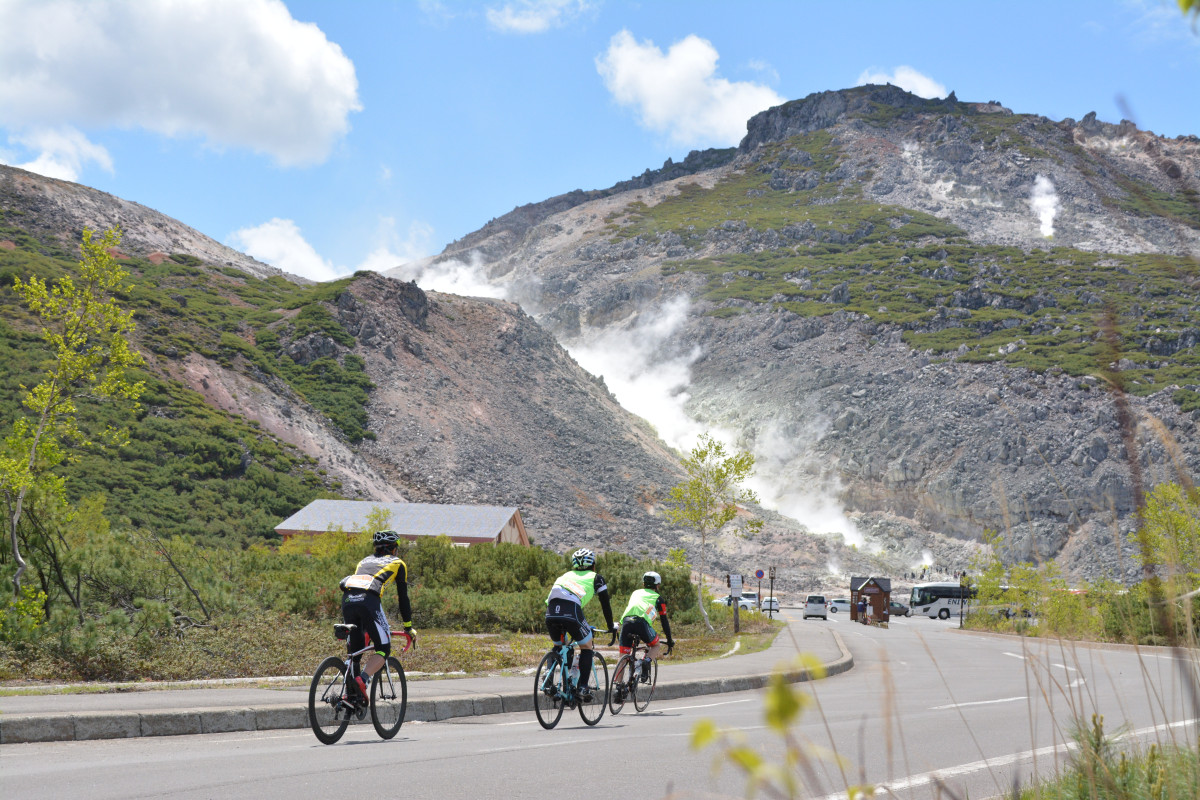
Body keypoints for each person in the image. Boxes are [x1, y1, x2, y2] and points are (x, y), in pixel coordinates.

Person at [339, 529, 416, 706]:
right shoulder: (398, 563)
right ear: (394, 548)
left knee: (355, 652)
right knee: (383, 648)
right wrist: (408, 626)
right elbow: (403, 598)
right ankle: (363, 680)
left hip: (348, 600)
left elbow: (357, 588)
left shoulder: (363, 561)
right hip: (369, 601)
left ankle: (350, 696)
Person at [545, 548, 616, 702]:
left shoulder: (564, 576)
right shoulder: (596, 577)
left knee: (560, 646)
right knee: (586, 646)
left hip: (551, 611)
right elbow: (605, 604)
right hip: (571, 611)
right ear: (593, 565)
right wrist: (611, 626)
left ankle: (549, 677)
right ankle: (583, 686)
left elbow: (550, 600)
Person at [617, 571, 675, 694]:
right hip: (642, 623)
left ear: (643, 583)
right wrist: (670, 640)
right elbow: (664, 621)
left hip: (626, 622)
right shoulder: (658, 599)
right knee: (656, 645)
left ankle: (618, 687)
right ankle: (646, 662)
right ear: (657, 585)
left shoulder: (635, 592)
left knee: (623, 656)